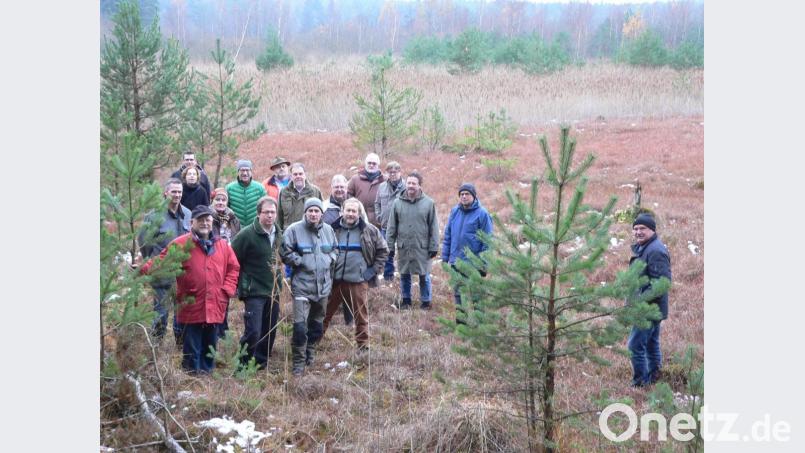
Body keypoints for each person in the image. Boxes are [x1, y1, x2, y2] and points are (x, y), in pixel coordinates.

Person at [141, 205, 240, 374]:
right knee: (192, 345)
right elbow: (161, 261)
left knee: (210, 342)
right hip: (191, 302)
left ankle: (206, 376)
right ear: (191, 222)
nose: (204, 223)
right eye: (200, 220)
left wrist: (227, 289)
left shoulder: (222, 245)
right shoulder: (181, 244)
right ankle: (191, 377)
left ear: (212, 222)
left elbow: (234, 268)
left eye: (207, 220)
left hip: (216, 302)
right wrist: (141, 269)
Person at [280, 198, 338, 376]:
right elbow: (285, 252)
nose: (313, 214)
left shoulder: (328, 230)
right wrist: (300, 261)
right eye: (310, 211)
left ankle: (310, 352)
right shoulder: (294, 230)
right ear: (305, 212)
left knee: (316, 326)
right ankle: (298, 362)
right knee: (299, 327)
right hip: (302, 287)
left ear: (322, 213)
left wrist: (331, 259)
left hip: (323, 288)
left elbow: (335, 250)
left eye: (316, 211)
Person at [322, 198, 388, 352]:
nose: (351, 214)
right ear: (342, 211)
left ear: (359, 213)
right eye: (348, 210)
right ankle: (313, 341)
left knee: (361, 315)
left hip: (358, 281)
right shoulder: (332, 229)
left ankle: (363, 346)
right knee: (324, 313)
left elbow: (383, 251)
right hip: (335, 281)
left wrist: (371, 272)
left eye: (354, 211)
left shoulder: (370, 230)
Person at [230, 196, 284, 369]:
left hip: (274, 289)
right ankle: (243, 365)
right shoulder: (246, 234)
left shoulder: (278, 232)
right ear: (259, 213)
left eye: (273, 212)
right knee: (253, 331)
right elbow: (232, 258)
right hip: (253, 290)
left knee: (269, 330)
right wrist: (238, 284)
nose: (270, 216)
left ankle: (260, 363)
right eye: (266, 212)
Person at [137, 178, 191, 343]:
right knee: (161, 313)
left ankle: (180, 344)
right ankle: (157, 346)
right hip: (161, 271)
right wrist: (154, 263)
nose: (177, 195)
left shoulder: (188, 214)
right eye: (173, 191)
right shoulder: (153, 217)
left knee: (182, 311)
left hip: (184, 271)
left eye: (180, 192)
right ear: (165, 193)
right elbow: (144, 242)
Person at [627, 213, 672, 387]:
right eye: (636, 228)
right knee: (651, 343)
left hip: (648, 309)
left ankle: (640, 383)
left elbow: (662, 283)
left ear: (652, 230)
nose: (638, 232)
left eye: (642, 228)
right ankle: (654, 376)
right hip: (650, 308)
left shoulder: (655, 251)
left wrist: (640, 302)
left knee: (635, 346)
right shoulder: (646, 247)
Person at [386, 171, 439, 310]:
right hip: (404, 247)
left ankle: (426, 302)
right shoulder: (397, 203)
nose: (410, 186)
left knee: (424, 276)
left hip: (423, 247)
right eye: (408, 183)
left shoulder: (429, 203)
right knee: (404, 274)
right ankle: (406, 300)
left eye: (413, 183)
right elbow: (391, 227)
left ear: (419, 185)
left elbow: (434, 227)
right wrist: (390, 247)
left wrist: (434, 246)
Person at [441, 183, 493, 318]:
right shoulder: (455, 211)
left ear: (474, 196)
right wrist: (445, 257)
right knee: (458, 294)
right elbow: (448, 236)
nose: (464, 197)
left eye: (467, 194)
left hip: (474, 264)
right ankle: (462, 323)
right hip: (456, 261)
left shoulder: (482, 214)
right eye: (461, 194)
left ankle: (479, 323)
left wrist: (483, 265)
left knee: (476, 295)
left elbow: (488, 242)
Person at [322, 174, 355, 326]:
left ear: (347, 188)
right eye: (336, 187)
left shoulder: (355, 205)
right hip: (329, 255)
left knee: (348, 289)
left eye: (342, 187)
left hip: (350, 255)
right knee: (329, 288)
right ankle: (324, 320)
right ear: (331, 189)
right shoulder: (324, 206)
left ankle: (350, 321)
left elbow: (365, 227)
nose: (339, 190)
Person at [374, 161, 404, 282]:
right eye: (390, 172)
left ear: (400, 172)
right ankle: (388, 276)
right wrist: (379, 216)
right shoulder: (381, 187)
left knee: (402, 252)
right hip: (386, 225)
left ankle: (404, 276)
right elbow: (377, 203)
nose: (392, 174)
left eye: (395, 172)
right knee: (387, 252)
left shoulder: (406, 187)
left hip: (402, 227)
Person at [277, 163, 323, 230]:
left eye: (300, 174)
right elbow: (279, 216)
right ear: (291, 176)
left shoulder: (315, 191)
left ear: (305, 175)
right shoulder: (284, 192)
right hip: (289, 233)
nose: (298, 176)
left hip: (309, 233)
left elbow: (322, 215)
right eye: (295, 174)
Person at [347, 153, 386, 227]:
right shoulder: (355, 179)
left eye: (374, 163)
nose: (371, 165)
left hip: (379, 224)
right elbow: (348, 195)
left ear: (378, 165)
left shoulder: (385, 180)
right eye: (369, 163)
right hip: (359, 222)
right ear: (365, 164)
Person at [226, 159, 266, 227]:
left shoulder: (260, 188)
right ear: (238, 172)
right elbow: (226, 209)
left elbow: (265, 208)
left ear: (251, 172)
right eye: (242, 170)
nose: (245, 173)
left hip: (254, 228)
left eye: (247, 170)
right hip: (235, 229)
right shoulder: (229, 188)